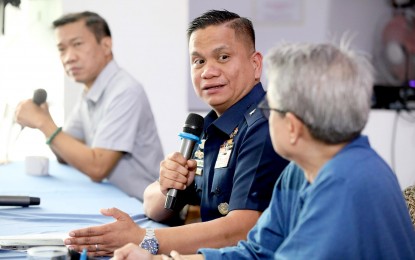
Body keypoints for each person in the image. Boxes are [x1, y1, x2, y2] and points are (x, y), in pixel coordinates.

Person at [112, 41, 415, 259]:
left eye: (271, 107)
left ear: (293, 127)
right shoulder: (300, 171)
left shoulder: (346, 184)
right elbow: (256, 251)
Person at [63, 9, 288, 257]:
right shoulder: (209, 126)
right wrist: (166, 184)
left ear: (255, 65)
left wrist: (144, 239)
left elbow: (241, 230)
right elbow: (152, 205)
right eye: (198, 61)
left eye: (223, 57)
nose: (208, 71)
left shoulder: (266, 125)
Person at [15, 11, 164, 201]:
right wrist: (45, 119)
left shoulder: (125, 91)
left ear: (106, 45)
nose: (68, 57)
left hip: (144, 206)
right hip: (113, 197)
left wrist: (44, 123)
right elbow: (65, 154)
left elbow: (97, 167)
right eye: (61, 49)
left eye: (77, 44)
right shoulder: (89, 91)